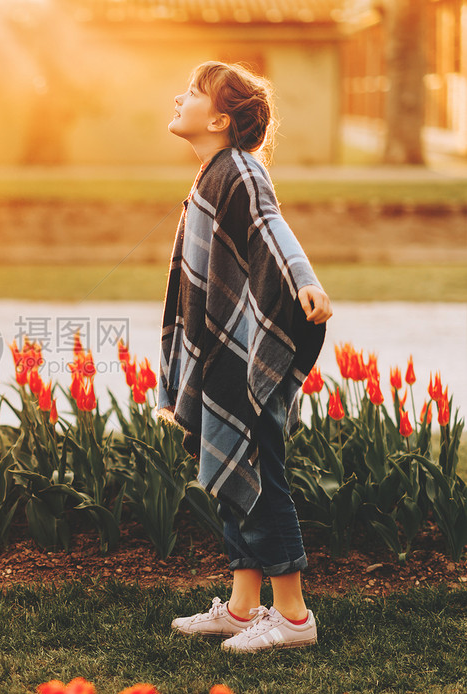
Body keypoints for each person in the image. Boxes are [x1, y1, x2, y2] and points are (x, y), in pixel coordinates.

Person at [156, 61, 333, 653]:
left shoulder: (240, 171)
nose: (179, 98)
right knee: (234, 471)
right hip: (222, 352)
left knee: (260, 477)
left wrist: (303, 280)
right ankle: (241, 607)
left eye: (192, 92)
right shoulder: (214, 172)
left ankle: (293, 618)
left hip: (246, 352)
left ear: (219, 118)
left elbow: (271, 226)